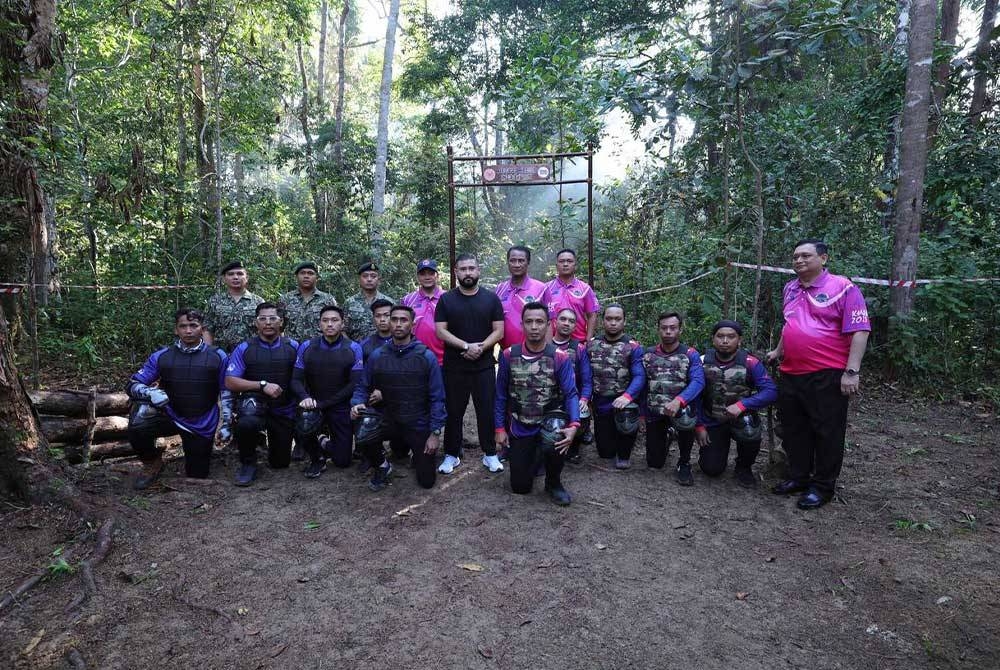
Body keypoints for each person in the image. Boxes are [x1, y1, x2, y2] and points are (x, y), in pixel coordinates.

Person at [766, 239, 870, 509]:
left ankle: (822, 486)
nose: (799, 261)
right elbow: (791, 324)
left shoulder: (843, 287)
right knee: (795, 429)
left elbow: (860, 330)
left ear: (823, 258)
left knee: (827, 432)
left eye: (806, 256)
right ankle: (799, 477)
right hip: (791, 371)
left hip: (828, 372)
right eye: (795, 257)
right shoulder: (790, 288)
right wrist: (778, 351)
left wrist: (852, 372)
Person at [126, 308, 231, 489]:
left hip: (202, 422)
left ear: (202, 329)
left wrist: (227, 422)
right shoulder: (162, 356)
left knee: (197, 474)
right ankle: (151, 462)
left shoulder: (218, 356)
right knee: (139, 419)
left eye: (193, 326)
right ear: (176, 329)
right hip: (170, 414)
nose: (188, 331)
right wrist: (150, 392)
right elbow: (132, 384)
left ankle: (197, 452)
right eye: (183, 326)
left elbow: (226, 390)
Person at [351, 305, 446, 491]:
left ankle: (413, 453)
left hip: (417, 422)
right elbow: (362, 386)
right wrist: (356, 403)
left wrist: (435, 434)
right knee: (363, 423)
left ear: (412, 324)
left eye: (403, 320)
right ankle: (382, 466)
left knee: (426, 482)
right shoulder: (378, 356)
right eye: (394, 319)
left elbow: (437, 398)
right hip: (389, 419)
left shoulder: (426, 357)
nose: (398, 324)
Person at [495, 302, 581, 505]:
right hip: (520, 424)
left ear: (548, 325)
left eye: (539, 322)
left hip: (549, 422)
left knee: (556, 437)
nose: (534, 327)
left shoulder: (559, 357)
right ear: (522, 325)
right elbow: (500, 395)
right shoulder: (508, 355)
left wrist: (574, 425)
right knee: (520, 487)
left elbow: (570, 394)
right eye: (529, 322)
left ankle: (553, 482)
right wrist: (499, 428)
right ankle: (532, 457)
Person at [434, 253, 505, 474]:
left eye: (471, 268)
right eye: (463, 269)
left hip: (483, 366)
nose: (467, 273)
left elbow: (499, 330)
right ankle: (451, 455)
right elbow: (440, 330)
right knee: (454, 412)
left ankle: (490, 453)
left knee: (486, 410)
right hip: (454, 367)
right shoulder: (446, 300)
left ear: (478, 270)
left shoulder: (491, 298)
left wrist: (480, 348)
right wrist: (466, 346)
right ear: (455, 272)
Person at [694, 320, 776, 487]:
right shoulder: (702, 361)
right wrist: (699, 425)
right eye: (720, 336)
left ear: (739, 340)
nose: (725, 341)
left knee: (749, 429)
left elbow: (771, 391)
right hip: (712, 419)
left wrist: (742, 405)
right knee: (711, 469)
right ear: (713, 339)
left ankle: (744, 466)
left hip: (741, 419)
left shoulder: (750, 363)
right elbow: (693, 396)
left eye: (731, 337)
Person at [225, 302, 299, 486]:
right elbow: (230, 381)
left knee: (280, 464)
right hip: (254, 405)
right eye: (263, 319)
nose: (268, 323)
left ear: (281, 322)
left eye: (273, 318)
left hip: (284, 408)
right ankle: (248, 463)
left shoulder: (294, 346)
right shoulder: (244, 348)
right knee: (246, 423)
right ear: (256, 323)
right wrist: (261, 385)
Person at [291, 305, 363, 478]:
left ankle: (323, 440)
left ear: (342, 324)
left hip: (340, 405)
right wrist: (305, 397)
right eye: (325, 320)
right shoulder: (307, 346)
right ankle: (317, 458)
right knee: (305, 421)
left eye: (334, 320)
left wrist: (326, 403)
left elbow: (354, 384)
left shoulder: (353, 348)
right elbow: (295, 379)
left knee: (343, 461)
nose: (330, 324)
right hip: (313, 404)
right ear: (319, 324)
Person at [642, 312, 705, 485]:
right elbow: (641, 384)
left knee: (685, 419)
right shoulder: (648, 354)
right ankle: (669, 434)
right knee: (654, 463)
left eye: (673, 328)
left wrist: (679, 400)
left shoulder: (690, 354)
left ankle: (684, 462)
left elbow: (698, 382)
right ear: (658, 329)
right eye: (664, 328)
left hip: (681, 410)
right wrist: (641, 413)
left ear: (680, 330)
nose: (668, 332)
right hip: (656, 409)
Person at [586, 304, 645, 469]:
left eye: (617, 319)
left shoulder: (633, 347)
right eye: (609, 318)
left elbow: (639, 376)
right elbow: (586, 375)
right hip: (600, 401)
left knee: (626, 425)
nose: (613, 322)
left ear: (624, 322)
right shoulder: (591, 345)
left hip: (624, 403)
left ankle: (625, 452)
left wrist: (627, 396)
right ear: (603, 321)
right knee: (605, 453)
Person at [551, 308, 593, 464]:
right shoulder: (544, 344)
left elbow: (587, 380)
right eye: (563, 319)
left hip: (571, 398)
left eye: (571, 321)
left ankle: (574, 445)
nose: (566, 323)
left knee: (581, 411)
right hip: (548, 399)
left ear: (575, 326)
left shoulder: (579, 348)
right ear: (555, 322)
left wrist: (584, 399)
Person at [203, 260, 264, 352]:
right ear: (224, 279)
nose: (235, 277)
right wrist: (208, 352)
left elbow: (265, 329)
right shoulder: (215, 301)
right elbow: (207, 329)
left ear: (246, 278)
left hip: (251, 353)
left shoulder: (258, 302)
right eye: (231, 274)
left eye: (240, 274)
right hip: (222, 354)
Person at [541, 248, 600, 342]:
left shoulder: (585, 289)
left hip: (579, 341)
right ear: (556, 265)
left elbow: (592, 314)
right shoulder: (545, 288)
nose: (565, 264)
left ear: (575, 265)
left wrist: (589, 339)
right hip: (552, 343)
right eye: (561, 261)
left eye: (569, 261)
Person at [495, 245, 547, 350]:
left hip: (535, 352)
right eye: (512, 261)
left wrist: (550, 353)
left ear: (528, 262)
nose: (517, 265)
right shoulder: (499, 289)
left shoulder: (541, 288)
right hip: (505, 352)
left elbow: (551, 322)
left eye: (521, 261)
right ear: (508, 262)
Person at [279, 261, 338, 342]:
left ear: (317, 277)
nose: (306, 276)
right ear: (296, 276)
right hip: (292, 349)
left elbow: (336, 327)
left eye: (310, 273)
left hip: (319, 349)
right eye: (302, 273)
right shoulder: (285, 299)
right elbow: (278, 327)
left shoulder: (328, 300)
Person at [401, 259, 445, 365]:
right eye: (423, 274)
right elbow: (401, 327)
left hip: (444, 360)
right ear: (418, 277)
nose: (427, 277)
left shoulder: (447, 298)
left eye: (431, 273)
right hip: (414, 358)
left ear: (437, 276)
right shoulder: (407, 300)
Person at [344, 261, 394, 343]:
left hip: (384, 350)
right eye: (365, 276)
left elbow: (396, 327)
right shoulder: (349, 303)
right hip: (357, 350)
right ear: (359, 279)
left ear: (379, 280)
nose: (369, 279)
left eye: (373, 276)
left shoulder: (389, 302)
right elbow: (343, 330)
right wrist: (352, 347)